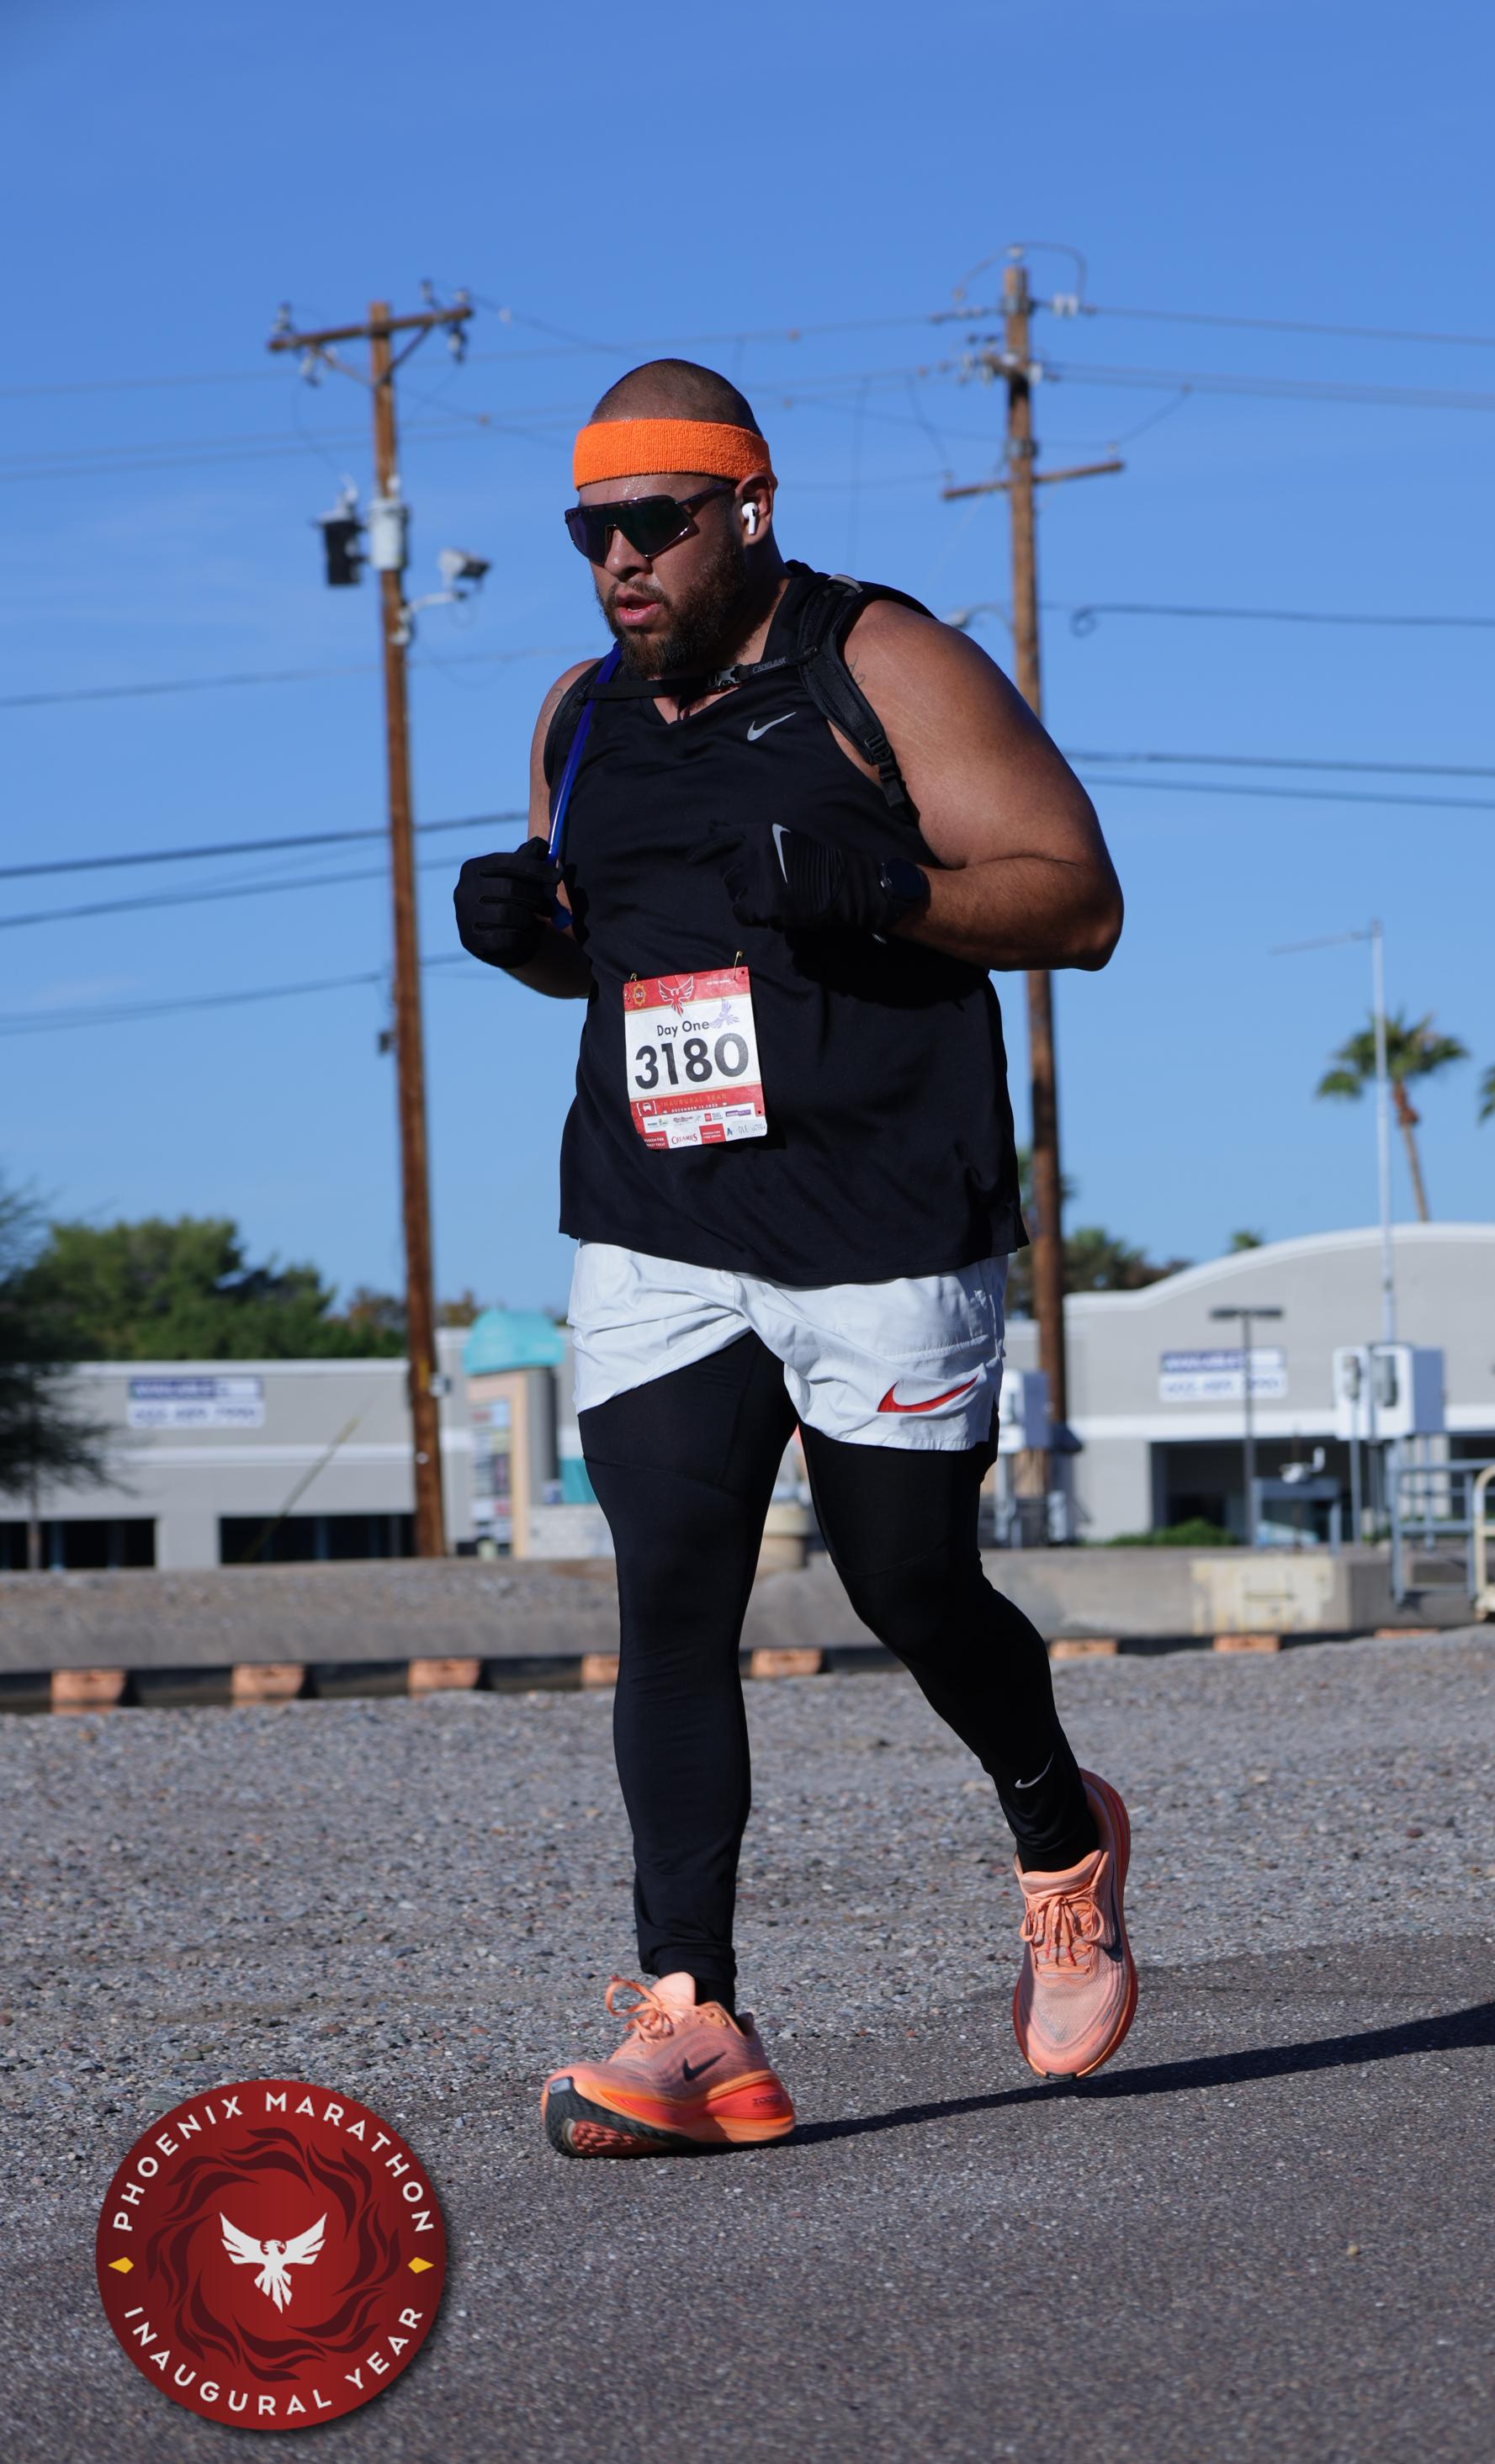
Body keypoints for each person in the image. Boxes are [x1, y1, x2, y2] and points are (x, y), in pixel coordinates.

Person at [453, 360, 1133, 2159]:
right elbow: (611, 954)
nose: (620, 560)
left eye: (653, 523)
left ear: (748, 510)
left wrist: (892, 891)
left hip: (880, 1219)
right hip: (660, 1221)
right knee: (670, 1599)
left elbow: (1078, 901)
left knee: (908, 1583)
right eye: (590, 531)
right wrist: (526, 939)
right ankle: (693, 2020)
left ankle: (1060, 1837)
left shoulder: (881, 664)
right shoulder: (580, 716)